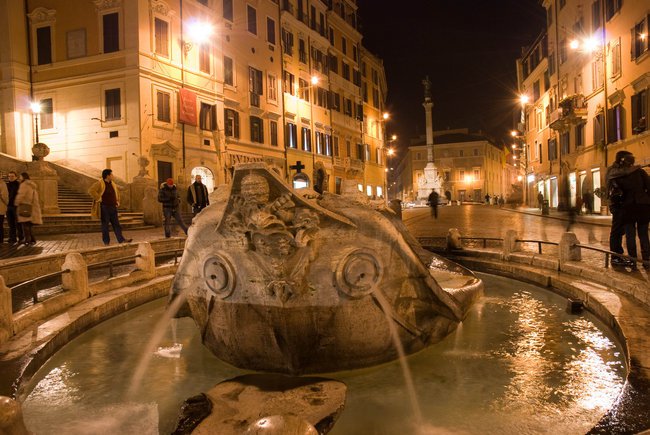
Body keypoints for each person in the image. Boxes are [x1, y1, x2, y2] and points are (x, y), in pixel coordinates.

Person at [610, 151, 650, 269]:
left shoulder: (619, 176)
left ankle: (633, 261)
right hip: (643, 207)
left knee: (630, 235)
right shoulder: (641, 172)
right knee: (643, 235)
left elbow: (617, 192)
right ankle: (647, 260)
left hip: (628, 208)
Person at [605, 151, 641, 267]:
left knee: (620, 231)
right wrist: (636, 167)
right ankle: (615, 257)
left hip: (621, 203)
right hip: (616, 203)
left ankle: (618, 255)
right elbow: (623, 172)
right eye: (628, 159)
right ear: (621, 159)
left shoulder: (619, 169)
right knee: (616, 231)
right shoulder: (613, 170)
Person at [88, 168, 132, 246]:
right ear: (107, 175)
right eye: (111, 174)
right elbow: (91, 190)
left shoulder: (113, 184)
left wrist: (117, 201)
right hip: (104, 207)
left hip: (113, 207)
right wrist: (99, 198)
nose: (113, 176)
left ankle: (121, 240)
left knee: (116, 224)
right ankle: (106, 242)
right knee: (105, 225)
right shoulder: (100, 183)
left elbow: (116, 193)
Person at [14, 172, 42, 245]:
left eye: (20, 177)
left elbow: (21, 195)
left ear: (24, 177)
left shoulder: (24, 185)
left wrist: (16, 202)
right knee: (28, 224)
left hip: (24, 206)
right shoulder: (31, 185)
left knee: (25, 224)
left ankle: (27, 240)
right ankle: (32, 239)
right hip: (31, 207)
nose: (19, 178)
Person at [6, 171, 23, 244]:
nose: (11, 178)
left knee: (18, 223)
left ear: (16, 177)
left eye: (12, 176)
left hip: (16, 206)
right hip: (8, 206)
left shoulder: (19, 185)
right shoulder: (6, 185)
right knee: (10, 223)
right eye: (9, 176)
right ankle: (12, 238)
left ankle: (21, 238)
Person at [0, 177, 8, 243]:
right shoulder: (2, 184)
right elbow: (5, 196)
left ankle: (0, 239)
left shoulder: (2, 184)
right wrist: (6, 203)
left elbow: (4, 196)